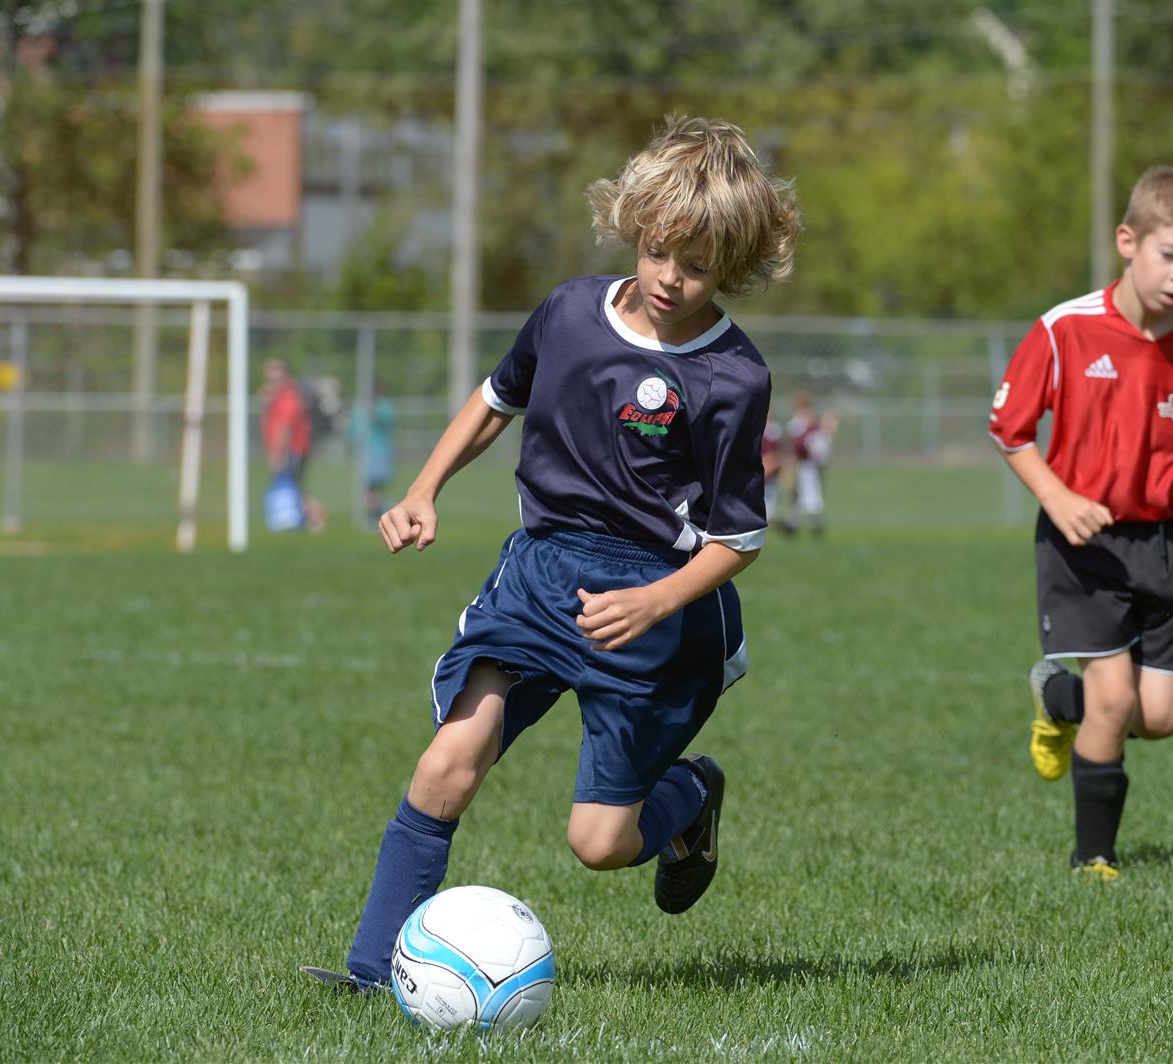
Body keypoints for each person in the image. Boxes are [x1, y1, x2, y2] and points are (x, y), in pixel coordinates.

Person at [301, 116, 799, 994]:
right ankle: (373, 975)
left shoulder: (733, 376)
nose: (669, 278)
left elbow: (739, 538)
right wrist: (423, 488)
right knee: (446, 763)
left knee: (598, 843)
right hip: (539, 574)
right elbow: (497, 399)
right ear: (633, 227)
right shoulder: (570, 311)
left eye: (695, 265)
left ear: (733, 263)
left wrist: (655, 602)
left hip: (654, 608)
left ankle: (691, 796)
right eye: (657, 251)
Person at [989, 166, 1173, 882]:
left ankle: (1059, 697)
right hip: (1083, 542)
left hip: (1160, 542)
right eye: (1169, 255)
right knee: (1117, 697)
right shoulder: (1066, 328)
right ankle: (1093, 857)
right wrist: (1059, 498)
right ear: (1129, 241)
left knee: (1160, 716)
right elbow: (1009, 429)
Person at [261, 357, 327, 532]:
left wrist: (278, 453)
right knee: (295, 486)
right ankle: (311, 516)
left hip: (292, 449)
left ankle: (314, 515)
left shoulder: (288, 396)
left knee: (294, 486)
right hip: (291, 449)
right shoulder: (278, 396)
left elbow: (285, 426)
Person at [783, 392, 837, 537]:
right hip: (801, 463)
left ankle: (810, 524)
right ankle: (796, 524)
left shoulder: (811, 422)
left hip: (809, 464)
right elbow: (794, 446)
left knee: (808, 493)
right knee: (799, 494)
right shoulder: (796, 423)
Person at [349, 381, 399, 522]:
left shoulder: (384, 406)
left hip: (378, 451)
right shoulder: (359, 407)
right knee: (367, 488)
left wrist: (374, 411)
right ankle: (381, 512)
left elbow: (387, 422)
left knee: (373, 488)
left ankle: (382, 512)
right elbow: (353, 429)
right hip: (363, 453)